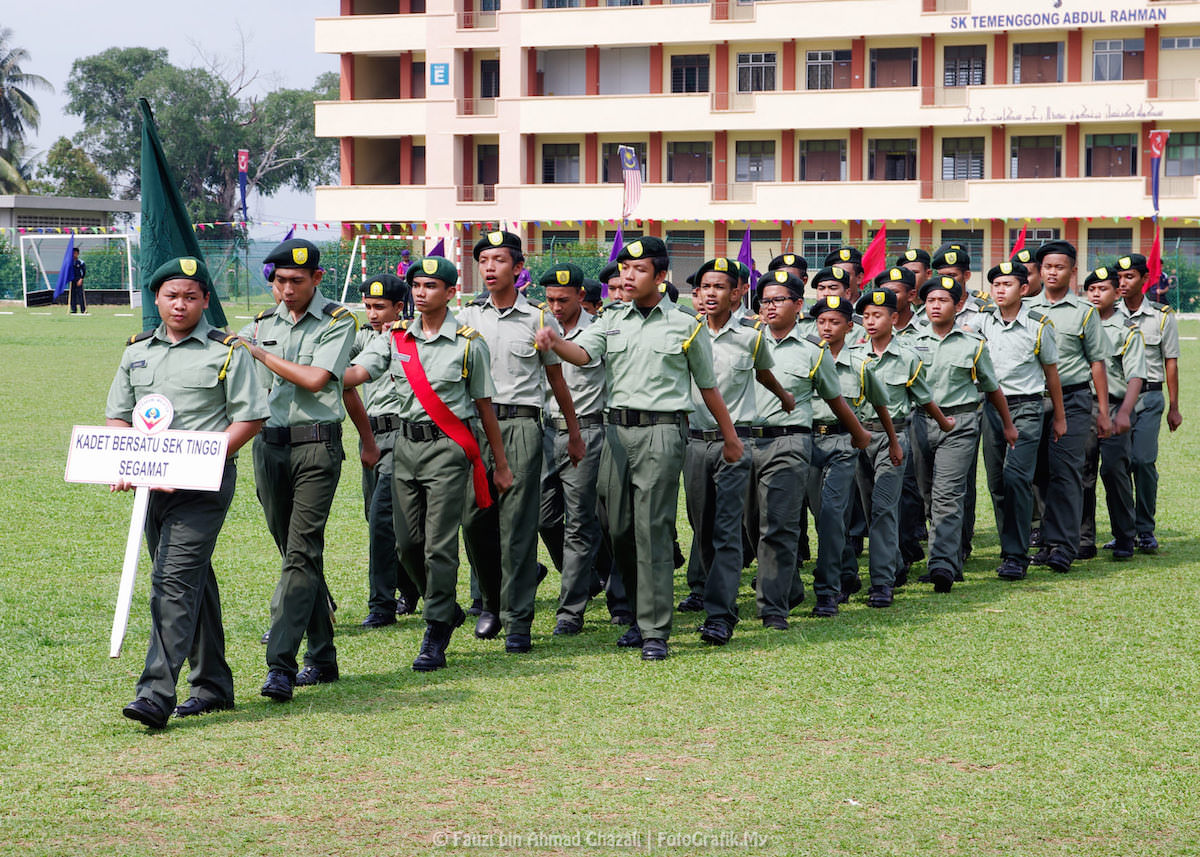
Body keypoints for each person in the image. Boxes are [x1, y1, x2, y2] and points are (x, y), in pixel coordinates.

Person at [535, 236, 743, 661]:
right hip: (615, 432)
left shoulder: (685, 324)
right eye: (624, 269)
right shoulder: (611, 319)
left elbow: (707, 386)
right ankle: (634, 612)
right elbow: (583, 355)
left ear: (661, 276)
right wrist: (555, 343)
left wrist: (730, 436)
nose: (628, 276)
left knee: (652, 528)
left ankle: (654, 630)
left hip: (661, 431)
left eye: (639, 270)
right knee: (618, 529)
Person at [110, 256, 267, 729]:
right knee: (190, 578)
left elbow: (250, 418)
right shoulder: (137, 351)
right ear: (157, 299)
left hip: (203, 486)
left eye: (191, 297)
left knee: (172, 582)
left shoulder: (227, 351)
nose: (180, 305)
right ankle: (213, 685)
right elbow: (118, 415)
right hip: (152, 488)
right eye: (171, 296)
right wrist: (126, 460)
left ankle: (154, 694)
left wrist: (199, 462)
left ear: (205, 301)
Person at [345, 256, 511, 671]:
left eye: (431, 286)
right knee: (406, 544)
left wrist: (500, 464)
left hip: (448, 450)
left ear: (451, 293)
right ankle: (445, 606)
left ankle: (436, 630)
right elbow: (357, 373)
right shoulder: (396, 338)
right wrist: (317, 374)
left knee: (439, 545)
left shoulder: (469, 344)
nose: (420, 293)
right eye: (416, 285)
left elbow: (484, 408)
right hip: (405, 448)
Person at [243, 238, 358, 702]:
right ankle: (324, 657)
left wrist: (260, 354)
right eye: (279, 281)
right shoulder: (261, 324)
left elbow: (314, 379)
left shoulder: (338, 320)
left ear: (317, 278)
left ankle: (281, 665)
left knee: (301, 552)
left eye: (296, 281)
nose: (286, 290)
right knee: (297, 556)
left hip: (315, 447)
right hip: (269, 447)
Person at [458, 230, 583, 654]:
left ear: (518, 267)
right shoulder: (466, 316)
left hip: (521, 425)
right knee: (475, 522)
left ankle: (517, 620)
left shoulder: (538, 317)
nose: (489, 267)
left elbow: (556, 380)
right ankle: (491, 601)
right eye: (483, 260)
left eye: (498, 260)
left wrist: (573, 432)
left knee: (517, 526)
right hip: (475, 427)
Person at [679, 257, 792, 646]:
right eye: (705, 287)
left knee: (727, 530)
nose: (711, 294)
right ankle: (713, 595)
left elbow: (763, 372)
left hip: (735, 444)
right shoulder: (686, 333)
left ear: (737, 292)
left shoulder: (750, 337)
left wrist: (784, 397)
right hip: (695, 442)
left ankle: (720, 614)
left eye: (720, 287)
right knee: (702, 528)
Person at [746, 270, 864, 628]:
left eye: (778, 300)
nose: (770, 307)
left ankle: (779, 604)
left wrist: (859, 434)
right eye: (765, 300)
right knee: (752, 524)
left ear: (798, 305)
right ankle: (790, 587)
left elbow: (835, 398)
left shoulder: (813, 350)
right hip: (747, 440)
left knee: (783, 523)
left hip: (791, 440)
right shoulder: (746, 341)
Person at [911, 276, 1016, 592]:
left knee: (948, 493)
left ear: (958, 306)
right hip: (920, 422)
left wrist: (1008, 424)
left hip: (960, 423)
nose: (935, 306)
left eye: (943, 300)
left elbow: (992, 388)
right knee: (927, 495)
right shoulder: (911, 342)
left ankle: (942, 564)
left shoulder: (973, 344)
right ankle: (948, 557)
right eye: (930, 301)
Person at [854, 278, 954, 607]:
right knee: (870, 510)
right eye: (866, 316)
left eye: (878, 315)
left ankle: (881, 582)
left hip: (892, 438)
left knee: (884, 509)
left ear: (894, 318)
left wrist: (944, 423)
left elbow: (924, 398)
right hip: (858, 437)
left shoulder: (908, 357)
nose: (871, 321)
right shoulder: (855, 355)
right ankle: (894, 564)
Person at [972, 261, 1065, 581]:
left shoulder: (1038, 325)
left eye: (1007, 284)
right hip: (991, 408)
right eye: (996, 284)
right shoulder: (983, 321)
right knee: (997, 482)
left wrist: (1059, 416)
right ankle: (1009, 546)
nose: (1000, 290)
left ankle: (1016, 555)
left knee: (1016, 478)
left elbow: (1051, 373)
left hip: (1025, 407)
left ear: (1024, 289)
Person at [1028, 240, 1111, 573]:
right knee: (1039, 474)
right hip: (1034, 399)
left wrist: (1102, 411)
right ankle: (1047, 542)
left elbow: (1097, 363)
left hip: (1074, 398)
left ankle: (1065, 545)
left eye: (1059, 267)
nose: (1052, 272)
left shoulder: (1084, 312)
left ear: (1072, 271)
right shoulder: (1026, 308)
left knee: (1066, 471)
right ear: (1039, 270)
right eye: (1047, 267)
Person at [537, 263, 609, 636]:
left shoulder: (598, 330)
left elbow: (582, 356)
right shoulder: (539, 326)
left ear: (581, 295)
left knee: (579, 522)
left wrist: (554, 342)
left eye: (563, 299)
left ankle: (570, 611)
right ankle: (588, 577)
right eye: (550, 299)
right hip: (547, 431)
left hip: (587, 431)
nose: (556, 306)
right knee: (544, 518)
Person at [805, 295, 883, 615]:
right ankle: (848, 570)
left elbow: (880, 404)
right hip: (810, 441)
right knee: (821, 515)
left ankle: (828, 589)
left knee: (831, 514)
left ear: (850, 327)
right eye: (821, 321)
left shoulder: (860, 364)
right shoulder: (806, 358)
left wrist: (891, 441)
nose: (826, 327)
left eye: (834, 322)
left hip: (843, 443)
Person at [351, 273, 421, 628]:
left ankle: (381, 604)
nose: (373, 314)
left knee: (382, 519)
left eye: (380, 307)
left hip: (401, 436)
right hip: (371, 436)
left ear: (399, 306)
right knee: (378, 518)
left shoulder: (411, 335)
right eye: (368, 306)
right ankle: (411, 587)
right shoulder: (364, 337)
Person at [1115, 253, 1182, 553]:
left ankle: (1145, 529)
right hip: (1117, 398)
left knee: (1142, 461)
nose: (1122, 283)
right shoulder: (1108, 314)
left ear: (1145, 279)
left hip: (1150, 397)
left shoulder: (1161, 316)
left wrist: (1174, 407)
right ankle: (1124, 531)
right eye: (1119, 277)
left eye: (1129, 277)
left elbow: (1171, 362)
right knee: (1117, 465)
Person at [1081, 266, 1146, 560]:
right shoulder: (1080, 324)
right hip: (1082, 405)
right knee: (1082, 472)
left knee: (1113, 470)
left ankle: (1124, 536)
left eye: (1102, 289)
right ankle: (1083, 538)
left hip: (1116, 405)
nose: (1096, 294)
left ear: (1117, 293)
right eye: (1091, 289)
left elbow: (1135, 376)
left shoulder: (1126, 330)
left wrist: (1124, 413)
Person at [69, 247, 88, 314]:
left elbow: (84, 272)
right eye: (73, 253)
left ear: (78, 254)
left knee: (80, 295)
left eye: (76, 253)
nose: (74, 255)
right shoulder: (70, 262)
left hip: (78, 279)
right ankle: (73, 309)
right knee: (72, 295)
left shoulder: (81, 262)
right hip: (72, 280)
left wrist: (81, 279)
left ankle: (83, 310)